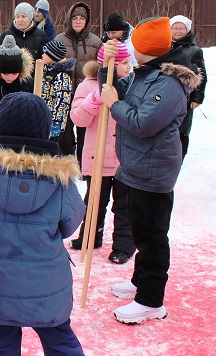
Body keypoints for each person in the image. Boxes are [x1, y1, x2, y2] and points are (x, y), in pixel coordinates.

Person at [0, 92, 86, 355]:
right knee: (60, 340)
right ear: (45, 130)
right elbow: (72, 218)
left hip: (0, 281)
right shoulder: (59, 178)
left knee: (0, 342)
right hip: (49, 283)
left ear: (1, 125)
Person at [99, 17, 201, 324]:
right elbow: (130, 97)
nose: (132, 50)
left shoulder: (168, 83)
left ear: (147, 50)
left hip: (154, 169)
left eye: (135, 46)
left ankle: (151, 300)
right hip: (136, 164)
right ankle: (139, 282)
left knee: (152, 236)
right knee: (141, 229)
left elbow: (144, 123)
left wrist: (114, 105)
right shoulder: (147, 74)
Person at [68, 42, 134, 264]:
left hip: (125, 157)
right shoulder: (88, 86)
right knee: (95, 200)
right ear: (110, 66)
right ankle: (90, 235)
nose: (129, 67)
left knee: (124, 205)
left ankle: (123, 245)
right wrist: (94, 100)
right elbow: (78, 118)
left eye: (129, 62)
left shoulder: (133, 85)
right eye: (124, 63)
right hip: (98, 156)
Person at [54, 2, 103, 162]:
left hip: (87, 95)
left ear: (87, 21)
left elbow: (101, 68)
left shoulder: (95, 42)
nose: (78, 21)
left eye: (82, 18)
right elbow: (52, 65)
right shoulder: (59, 40)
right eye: (75, 18)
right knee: (65, 134)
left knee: (85, 132)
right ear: (69, 19)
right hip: (65, 93)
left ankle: (84, 165)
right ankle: (67, 164)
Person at [170, 15, 208, 159]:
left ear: (187, 30)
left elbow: (201, 75)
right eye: (175, 28)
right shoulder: (165, 46)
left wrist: (197, 97)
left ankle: (180, 155)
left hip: (185, 96)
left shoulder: (194, 51)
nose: (178, 31)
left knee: (182, 128)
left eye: (181, 28)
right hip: (167, 93)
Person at [40, 40, 77, 145]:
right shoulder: (45, 70)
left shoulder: (62, 76)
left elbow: (62, 101)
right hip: (43, 118)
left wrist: (56, 124)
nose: (42, 55)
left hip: (52, 123)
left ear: (53, 56)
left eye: (45, 53)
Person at [0, 2, 49, 70]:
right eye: (17, 16)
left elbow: (44, 59)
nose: (20, 20)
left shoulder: (41, 35)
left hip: (34, 78)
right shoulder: (6, 35)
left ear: (30, 17)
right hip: (11, 77)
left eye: (23, 16)